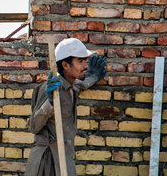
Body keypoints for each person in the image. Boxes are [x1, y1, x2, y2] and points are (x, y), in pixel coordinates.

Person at [25, 38, 107, 176]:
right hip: (47, 162)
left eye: (85, 60)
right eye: (80, 61)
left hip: (64, 158)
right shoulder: (49, 89)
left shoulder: (71, 86)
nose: (86, 65)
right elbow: (33, 126)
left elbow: (79, 86)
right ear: (65, 65)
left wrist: (93, 77)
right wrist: (49, 103)